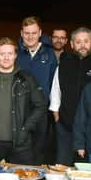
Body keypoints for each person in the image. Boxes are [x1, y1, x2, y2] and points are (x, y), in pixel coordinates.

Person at [0, 37, 47, 166]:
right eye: (2, 54)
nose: (6, 57)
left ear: (15, 55)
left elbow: (40, 106)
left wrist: (25, 129)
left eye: (10, 54)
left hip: (21, 145)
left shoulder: (26, 79)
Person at [49, 27, 91, 166]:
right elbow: (56, 90)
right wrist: (56, 115)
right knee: (62, 165)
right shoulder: (64, 64)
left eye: (86, 41)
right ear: (71, 44)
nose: (82, 45)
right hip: (66, 125)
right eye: (78, 42)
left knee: (86, 168)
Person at [17, 16, 58, 164]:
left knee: (40, 149)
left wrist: (53, 107)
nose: (30, 36)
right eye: (27, 33)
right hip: (20, 110)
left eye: (34, 33)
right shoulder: (17, 53)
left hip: (42, 110)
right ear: (21, 33)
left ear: (40, 32)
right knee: (21, 147)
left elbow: (55, 83)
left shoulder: (49, 54)